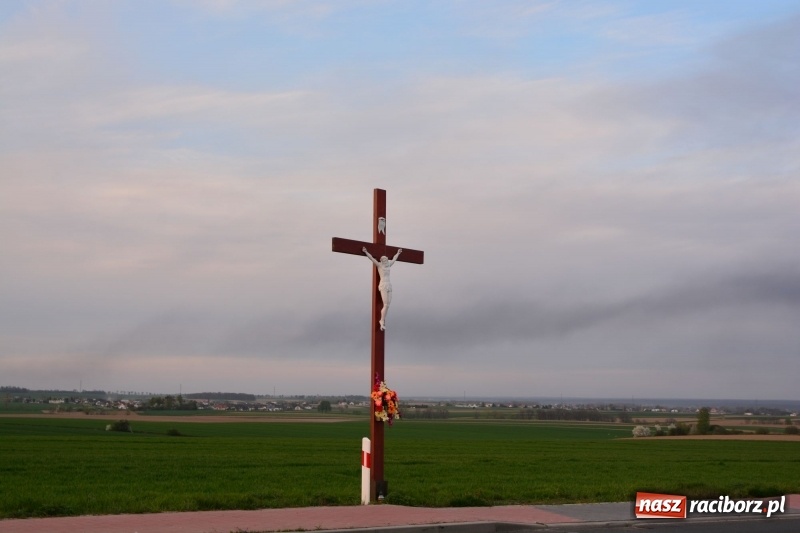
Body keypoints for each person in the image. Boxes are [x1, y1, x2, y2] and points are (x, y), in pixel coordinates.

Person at [363, 247, 402, 331]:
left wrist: (398, 253)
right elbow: (371, 258)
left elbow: (394, 259)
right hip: (383, 285)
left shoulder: (389, 264)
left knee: (388, 304)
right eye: (384, 260)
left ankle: (382, 319)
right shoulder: (380, 265)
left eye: (386, 259)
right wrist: (366, 252)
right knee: (385, 304)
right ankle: (381, 320)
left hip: (389, 285)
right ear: (382, 260)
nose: (385, 261)